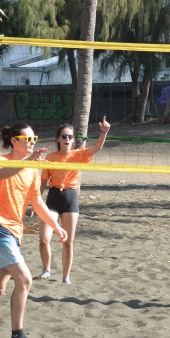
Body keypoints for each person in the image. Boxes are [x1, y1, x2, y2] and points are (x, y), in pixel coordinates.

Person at [0, 124, 68, 338]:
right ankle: (17, 335)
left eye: (34, 138)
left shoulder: (31, 169)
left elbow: (37, 204)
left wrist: (56, 226)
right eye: (27, 138)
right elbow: (1, 174)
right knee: (25, 278)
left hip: (13, 232)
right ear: (14, 141)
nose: (32, 142)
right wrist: (29, 161)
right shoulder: (2, 161)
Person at [38, 118, 110, 284]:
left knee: (68, 242)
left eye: (70, 137)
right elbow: (42, 183)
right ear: (58, 139)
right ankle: (46, 269)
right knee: (43, 239)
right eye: (64, 136)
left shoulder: (79, 155)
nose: (67, 140)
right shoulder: (50, 157)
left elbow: (97, 148)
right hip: (53, 198)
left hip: (70, 198)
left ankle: (65, 277)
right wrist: (37, 202)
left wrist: (104, 132)